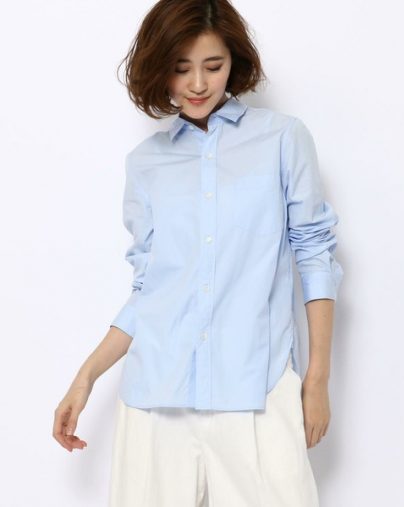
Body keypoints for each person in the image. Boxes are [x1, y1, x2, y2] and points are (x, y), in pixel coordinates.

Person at [52, 1, 344, 506]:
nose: (198, 84)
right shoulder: (146, 164)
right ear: (158, 67)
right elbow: (150, 291)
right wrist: (86, 378)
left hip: (257, 387)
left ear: (234, 62)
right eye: (180, 67)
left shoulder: (282, 139)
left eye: (213, 66)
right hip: (156, 397)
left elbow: (314, 253)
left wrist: (317, 378)